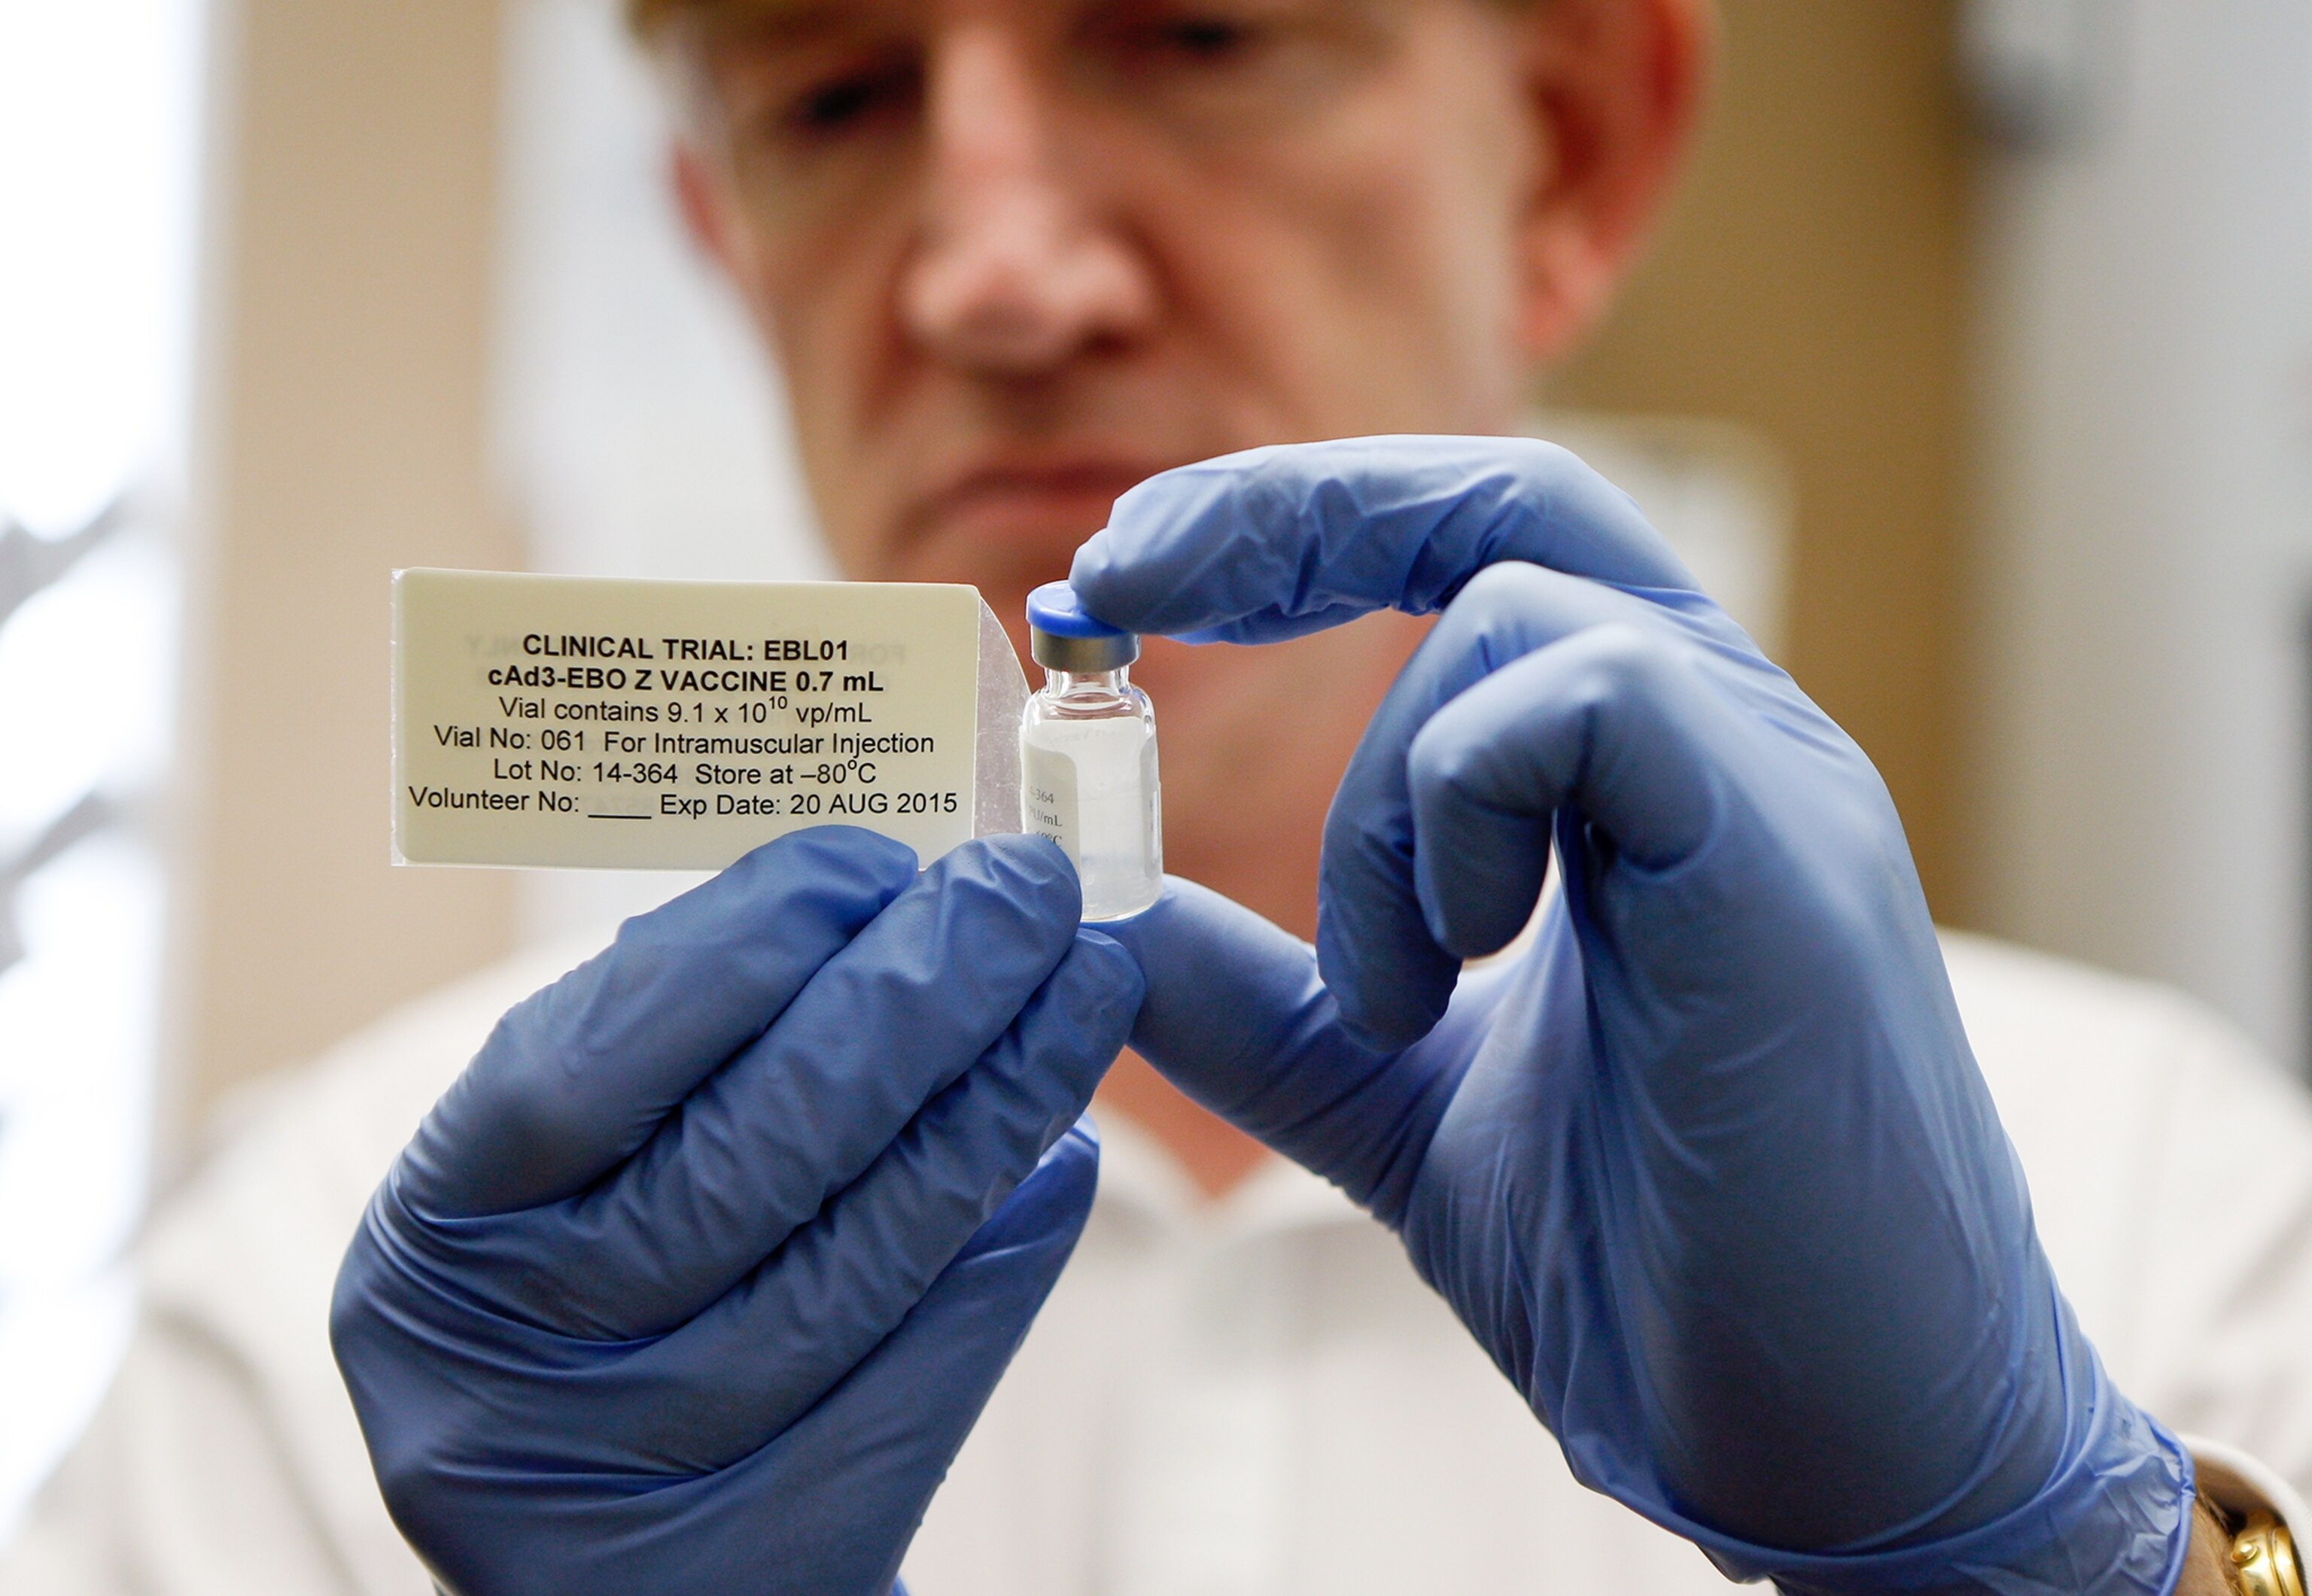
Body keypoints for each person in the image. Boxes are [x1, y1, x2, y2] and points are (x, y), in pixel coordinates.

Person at [9, 0, 2312, 1591]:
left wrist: (2057, 1554)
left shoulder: (2172, 1212)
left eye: (1201, 36)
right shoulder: (363, 1318)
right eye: (829, 96)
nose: (994, 275)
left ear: (1576, 151)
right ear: (725, 236)